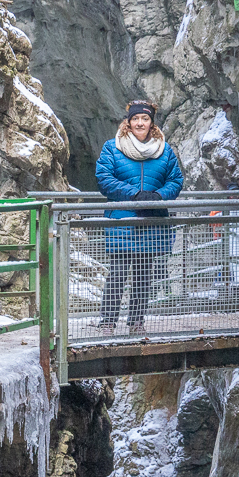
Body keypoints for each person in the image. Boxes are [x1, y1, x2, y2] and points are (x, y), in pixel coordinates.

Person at [94, 100, 184, 334]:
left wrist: (157, 196)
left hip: (151, 222)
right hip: (123, 221)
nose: (140, 123)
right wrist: (134, 194)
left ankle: (136, 322)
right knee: (118, 274)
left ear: (151, 122)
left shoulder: (164, 150)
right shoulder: (112, 147)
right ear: (129, 122)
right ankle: (107, 322)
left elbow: (176, 180)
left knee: (144, 276)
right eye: (136, 119)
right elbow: (104, 178)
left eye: (145, 119)